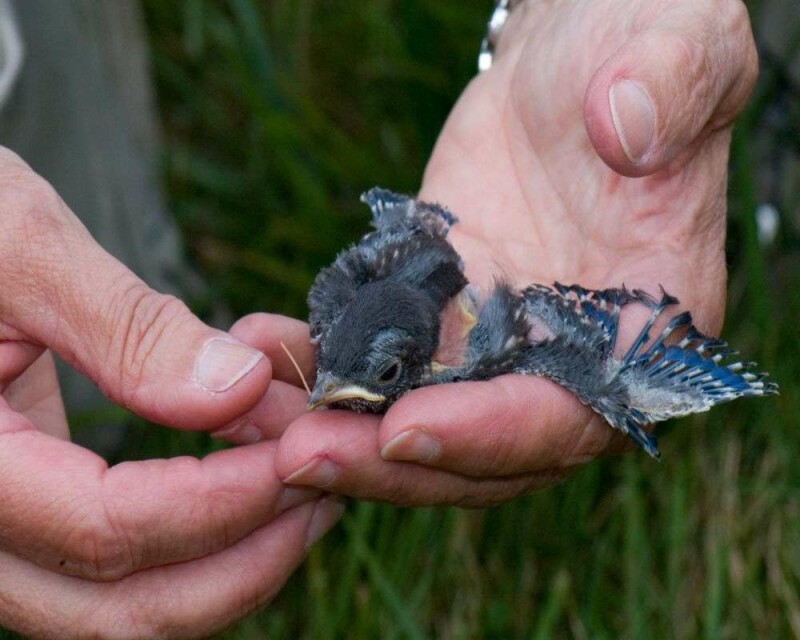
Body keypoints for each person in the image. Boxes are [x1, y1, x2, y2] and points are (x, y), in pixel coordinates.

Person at [0, 0, 759, 637]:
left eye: (388, 373)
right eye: (344, 370)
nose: (332, 385)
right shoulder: (340, 311)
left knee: (610, 378)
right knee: (73, 372)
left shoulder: (483, 342)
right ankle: (100, 425)